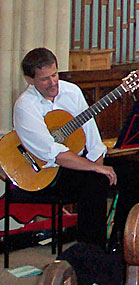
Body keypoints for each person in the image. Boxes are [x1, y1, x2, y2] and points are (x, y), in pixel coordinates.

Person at [10, 47, 116, 249]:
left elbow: (93, 138)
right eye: (45, 79)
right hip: (42, 173)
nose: (52, 83)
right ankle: (91, 253)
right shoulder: (25, 105)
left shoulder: (72, 92)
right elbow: (52, 152)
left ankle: (119, 241)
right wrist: (95, 169)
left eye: (55, 75)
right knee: (94, 182)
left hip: (73, 162)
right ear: (30, 80)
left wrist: (98, 163)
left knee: (133, 171)